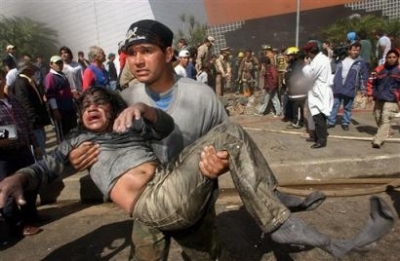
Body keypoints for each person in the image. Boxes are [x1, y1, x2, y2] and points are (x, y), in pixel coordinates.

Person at [1, 86, 396, 259]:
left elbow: (166, 129)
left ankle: (295, 218)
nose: (92, 106)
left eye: (101, 102)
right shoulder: (77, 143)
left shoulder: (132, 124)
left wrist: (146, 112)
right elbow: (43, 167)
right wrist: (18, 178)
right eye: (85, 103)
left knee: (228, 134)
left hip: (173, 185)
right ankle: (281, 215)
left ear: (114, 107)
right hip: (151, 205)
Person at [0, 68, 42, 243]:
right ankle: (15, 226)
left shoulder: (14, 101)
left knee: (30, 185)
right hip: (4, 155)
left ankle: (31, 218)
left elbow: (26, 124)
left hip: (24, 150)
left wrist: (35, 144)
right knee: (8, 191)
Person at [328, 42, 368, 131]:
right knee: (335, 105)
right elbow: (332, 68)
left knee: (348, 107)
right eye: (353, 50)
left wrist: (363, 89)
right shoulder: (341, 59)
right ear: (349, 50)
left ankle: (345, 122)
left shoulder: (360, 62)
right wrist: (334, 58)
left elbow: (363, 76)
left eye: (357, 50)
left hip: (351, 86)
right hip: (338, 85)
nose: (355, 52)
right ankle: (331, 121)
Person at [302, 42, 334, 149]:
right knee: (317, 116)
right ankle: (318, 137)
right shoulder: (319, 59)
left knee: (319, 117)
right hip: (319, 90)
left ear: (310, 52)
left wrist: (306, 66)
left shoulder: (320, 61)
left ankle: (321, 140)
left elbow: (310, 75)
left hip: (320, 91)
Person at [366, 49, 400, 148]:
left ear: (397, 58)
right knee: (377, 116)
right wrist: (370, 93)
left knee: (385, 118)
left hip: (392, 99)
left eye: (394, 57)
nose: (391, 59)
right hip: (379, 97)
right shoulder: (379, 69)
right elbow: (371, 81)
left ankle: (378, 140)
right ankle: (386, 131)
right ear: (386, 58)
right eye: (389, 57)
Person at [44, 55, 77, 143]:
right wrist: (55, 110)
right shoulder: (50, 77)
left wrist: (72, 103)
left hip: (69, 108)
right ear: (51, 64)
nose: (59, 65)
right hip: (60, 110)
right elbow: (50, 94)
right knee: (63, 134)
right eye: (57, 63)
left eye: (60, 62)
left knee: (72, 131)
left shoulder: (62, 75)